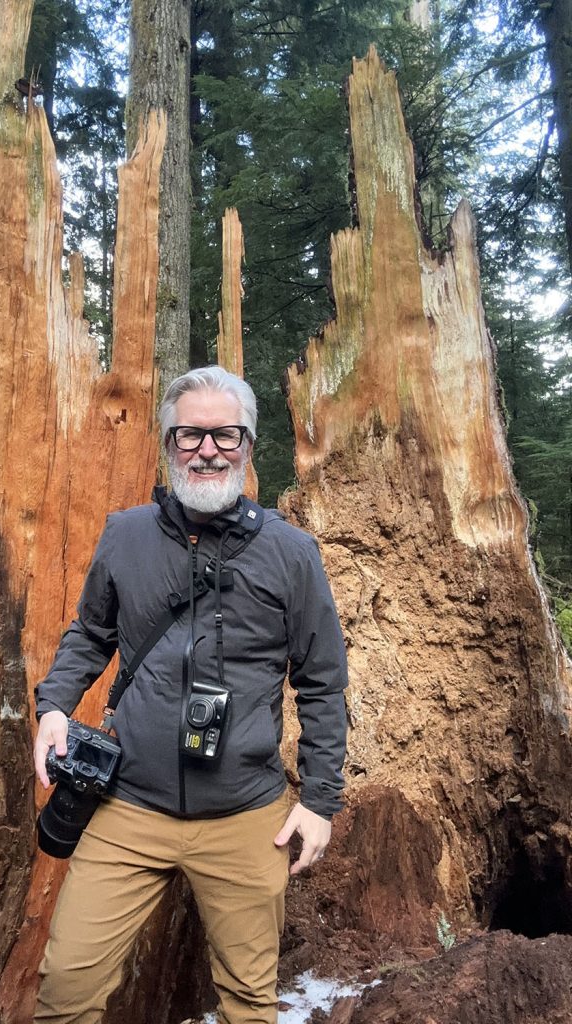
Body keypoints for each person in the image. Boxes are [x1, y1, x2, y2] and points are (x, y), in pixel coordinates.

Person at [32, 366, 348, 1024]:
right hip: (128, 808)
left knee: (247, 1004)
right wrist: (55, 706)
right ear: (168, 444)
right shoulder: (127, 535)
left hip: (245, 819)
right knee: (66, 988)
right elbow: (91, 633)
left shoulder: (293, 554)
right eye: (189, 435)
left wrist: (319, 801)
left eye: (224, 435)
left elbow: (321, 680)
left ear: (249, 445)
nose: (207, 449)